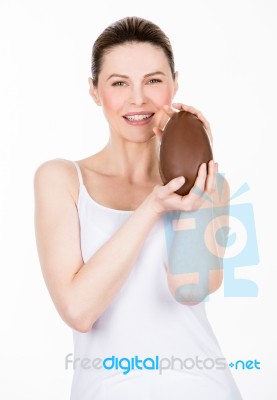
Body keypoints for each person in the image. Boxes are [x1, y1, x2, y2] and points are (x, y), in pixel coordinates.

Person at [34, 16, 242, 400]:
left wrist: (193, 173)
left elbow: (191, 287)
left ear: (174, 84)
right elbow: (79, 310)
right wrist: (151, 208)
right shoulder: (61, 179)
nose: (138, 99)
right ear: (94, 91)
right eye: (119, 83)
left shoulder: (210, 184)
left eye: (153, 80)